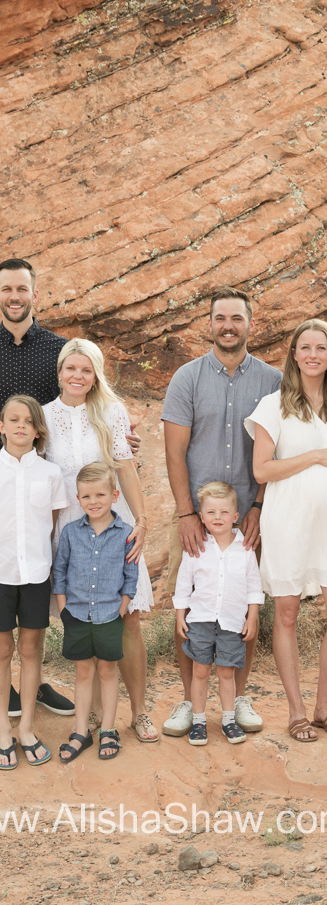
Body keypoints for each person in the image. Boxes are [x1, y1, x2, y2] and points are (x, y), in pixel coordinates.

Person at [162, 286, 281, 737]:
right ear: (208, 324)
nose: (228, 326)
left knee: (240, 604)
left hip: (249, 516)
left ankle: (241, 695)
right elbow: (174, 454)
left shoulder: (272, 381)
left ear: (251, 323)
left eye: (236, 318)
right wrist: (185, 513)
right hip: (196, 518)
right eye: (220, 318)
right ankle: (186, 700)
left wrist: (257, 506)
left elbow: (277, 447)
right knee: (189, 605)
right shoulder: (186, 379)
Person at [246, 320, 327, 743]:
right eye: (305, 347)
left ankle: (323, 708)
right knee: (288, 613)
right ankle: (296, 712)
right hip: (289, 522)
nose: (313, 355)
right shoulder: (272, 405)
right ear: (294, 354)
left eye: (321, 348)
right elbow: (262, 469)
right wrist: (315, 455)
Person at [44, 338, 156, 741]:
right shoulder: (43, 416)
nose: (77, 376)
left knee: (128, 620)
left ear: (96, 375)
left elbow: (125, 470)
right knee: (83, 623)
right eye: (70, 368)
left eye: (86, 370)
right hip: (69, 531)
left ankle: (139, 712)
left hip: (114, 526)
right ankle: (92, 715)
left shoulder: (112, 411)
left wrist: (141, 521)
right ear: (59, 372)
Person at [0, 257, 73, 717]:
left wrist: (120, 432)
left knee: (33, 590)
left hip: (46, 478)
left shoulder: (60, 349)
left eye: (21, 289)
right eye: (6, 289)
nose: (13, 297)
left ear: (35, 294)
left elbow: (85, 394)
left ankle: (34, 682)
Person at [53, 462, 139, 761]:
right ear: (78, 499)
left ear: (115, 495)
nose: (94, 502)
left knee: (107, 669)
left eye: (100, 495)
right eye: (86, 496)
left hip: (109, 615)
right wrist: (64, 610)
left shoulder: (125, 533)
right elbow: (60, 571)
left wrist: (121, 609)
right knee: (83, 671)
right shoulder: (70, 532)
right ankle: (80, 731)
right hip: (76, 614)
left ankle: (107, 730)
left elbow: (131, 577)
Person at [0, 396, 68, 769]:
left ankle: (26, 727)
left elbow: (53, 524)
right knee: (1, 651)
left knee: (30, 650)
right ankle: (2, 730)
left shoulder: (50, 474)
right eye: (14, 419)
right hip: (0, 573)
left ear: (38, 430)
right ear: (2, 426)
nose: (21, 426)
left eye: (28, 421)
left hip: (36, 573)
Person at [173, 482, 264, 746]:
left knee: (226, 673)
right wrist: (180, 615)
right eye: (211, 512)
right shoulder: (196, 547)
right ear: (201, 516)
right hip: (200, 621)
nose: (218, 518)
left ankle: (228, 720)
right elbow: (183, 584)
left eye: (224, 512)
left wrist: (252, 617)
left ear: (236, 516)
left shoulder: (245, 548)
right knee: (200, 672)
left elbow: (254, 588)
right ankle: (199, 721)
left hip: (232, 622)